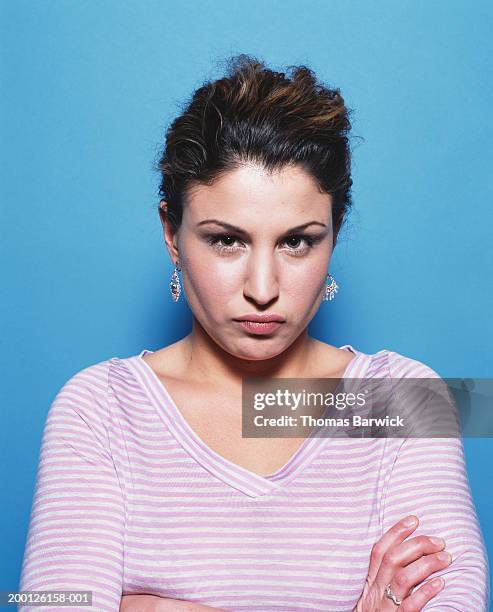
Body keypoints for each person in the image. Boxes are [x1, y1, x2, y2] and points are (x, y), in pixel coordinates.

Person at [19, 55, 489, 611]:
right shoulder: (98, 408)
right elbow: (51, 601)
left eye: (297, 242)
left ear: (334, 234)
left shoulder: (409, 399)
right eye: (226, 240)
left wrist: (151, 607)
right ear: (171, 233)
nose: (262, 287)